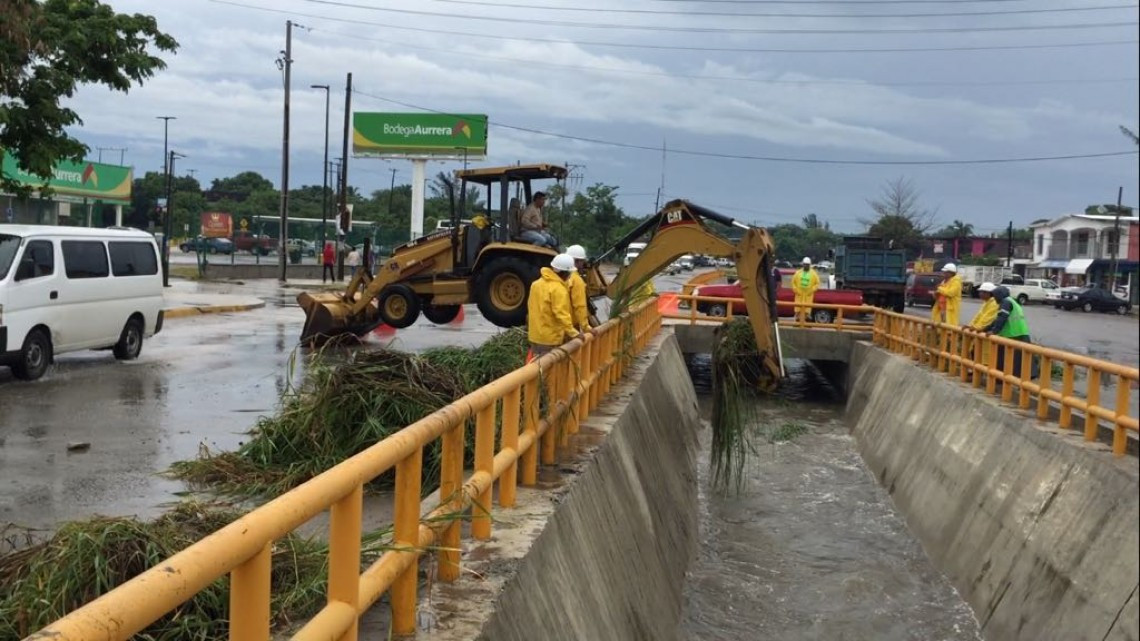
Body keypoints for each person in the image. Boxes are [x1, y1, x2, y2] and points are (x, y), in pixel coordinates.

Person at [527, 253, 580, 359]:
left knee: (536, 365)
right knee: (548, 367)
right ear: (564, 273)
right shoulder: (558, 289)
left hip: (534, 335)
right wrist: (574, 333)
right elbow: (561, 314)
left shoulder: (536, 284)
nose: (570, 276)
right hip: (549, 339)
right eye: (569, 273)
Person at [985, 285, 1038, 378]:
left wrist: (994, 331)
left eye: (995, 296)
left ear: (999, 295)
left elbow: (1002, 318)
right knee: (1023, 359)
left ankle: (1006, 379)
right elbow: (997, 319)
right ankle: (1026, 377)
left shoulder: (1005, 302)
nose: (994, 299)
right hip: (1021, 333)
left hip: (1013, 334)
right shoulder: (1012, 301)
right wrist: (985, 329)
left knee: (1011, 359)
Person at [565, 244, 594, 332]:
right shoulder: (576, 280)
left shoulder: (558, 276)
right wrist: (586, 327)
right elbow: (579, 306)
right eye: (582, 261)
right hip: (570, 325)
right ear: (577, 261)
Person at [791, 257, 820, 323]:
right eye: (805, 264)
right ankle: (797, 321)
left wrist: (811, 290)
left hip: (808, 295)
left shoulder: (813, 273)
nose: (806, 266)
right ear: (803, 264)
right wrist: (796, 290)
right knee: (798, 310)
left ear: (809, 265)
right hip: (799, 295)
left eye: (807, 264)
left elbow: (817, 283)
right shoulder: (798, 273)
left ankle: (807, 322)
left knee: (807, 310)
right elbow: (793, 282)